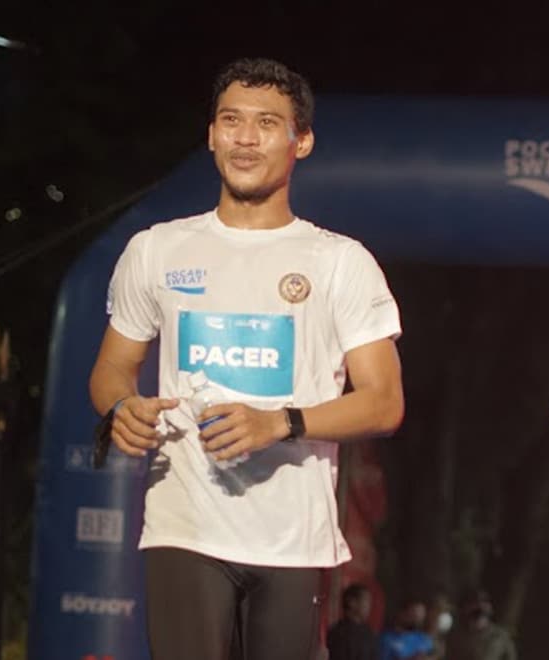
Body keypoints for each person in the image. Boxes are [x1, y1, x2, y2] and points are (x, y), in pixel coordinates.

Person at [88, 57, 405, 659]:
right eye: (231, 120)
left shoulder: (341, 262)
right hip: (184, 524)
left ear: (300, 141)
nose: (246, 138)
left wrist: (281, 422)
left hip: (292, 538)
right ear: (212, 134)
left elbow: (384, 403)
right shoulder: (156, 250)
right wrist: (121, 406)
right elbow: (111, 369)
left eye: (266, 123)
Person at [443, 589, 516, 660]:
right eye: (475, 602)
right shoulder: (455, 635)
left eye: (484, 601)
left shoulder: (501, 636)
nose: (480, 605)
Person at [328, 584, 377, 660]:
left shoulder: (368, 633)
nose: (369, 606)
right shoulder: (339, 633)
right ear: (352, 602)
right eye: (366, 600)